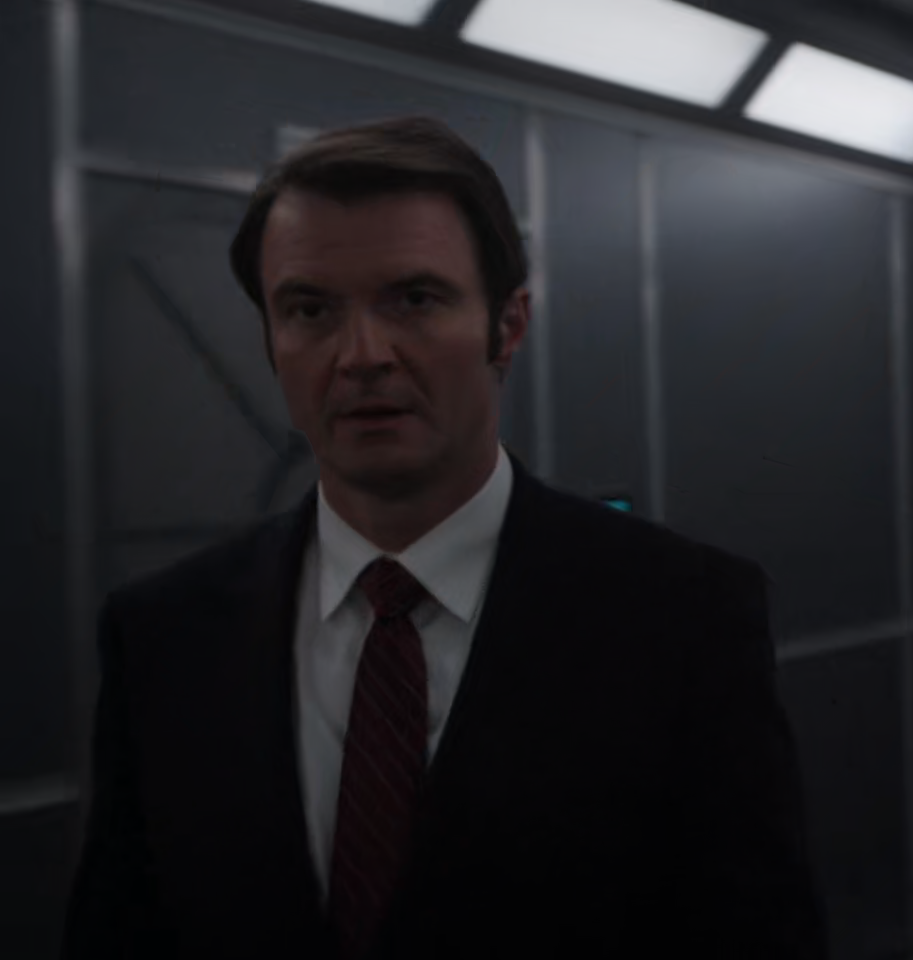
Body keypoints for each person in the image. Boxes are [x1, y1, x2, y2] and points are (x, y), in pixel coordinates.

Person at [62, 115, 828, 960]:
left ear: (509, 326)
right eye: (310, 309)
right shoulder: (165, 635)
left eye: (415, 299)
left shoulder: (682, 618)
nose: (362, 355)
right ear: (272, 343)